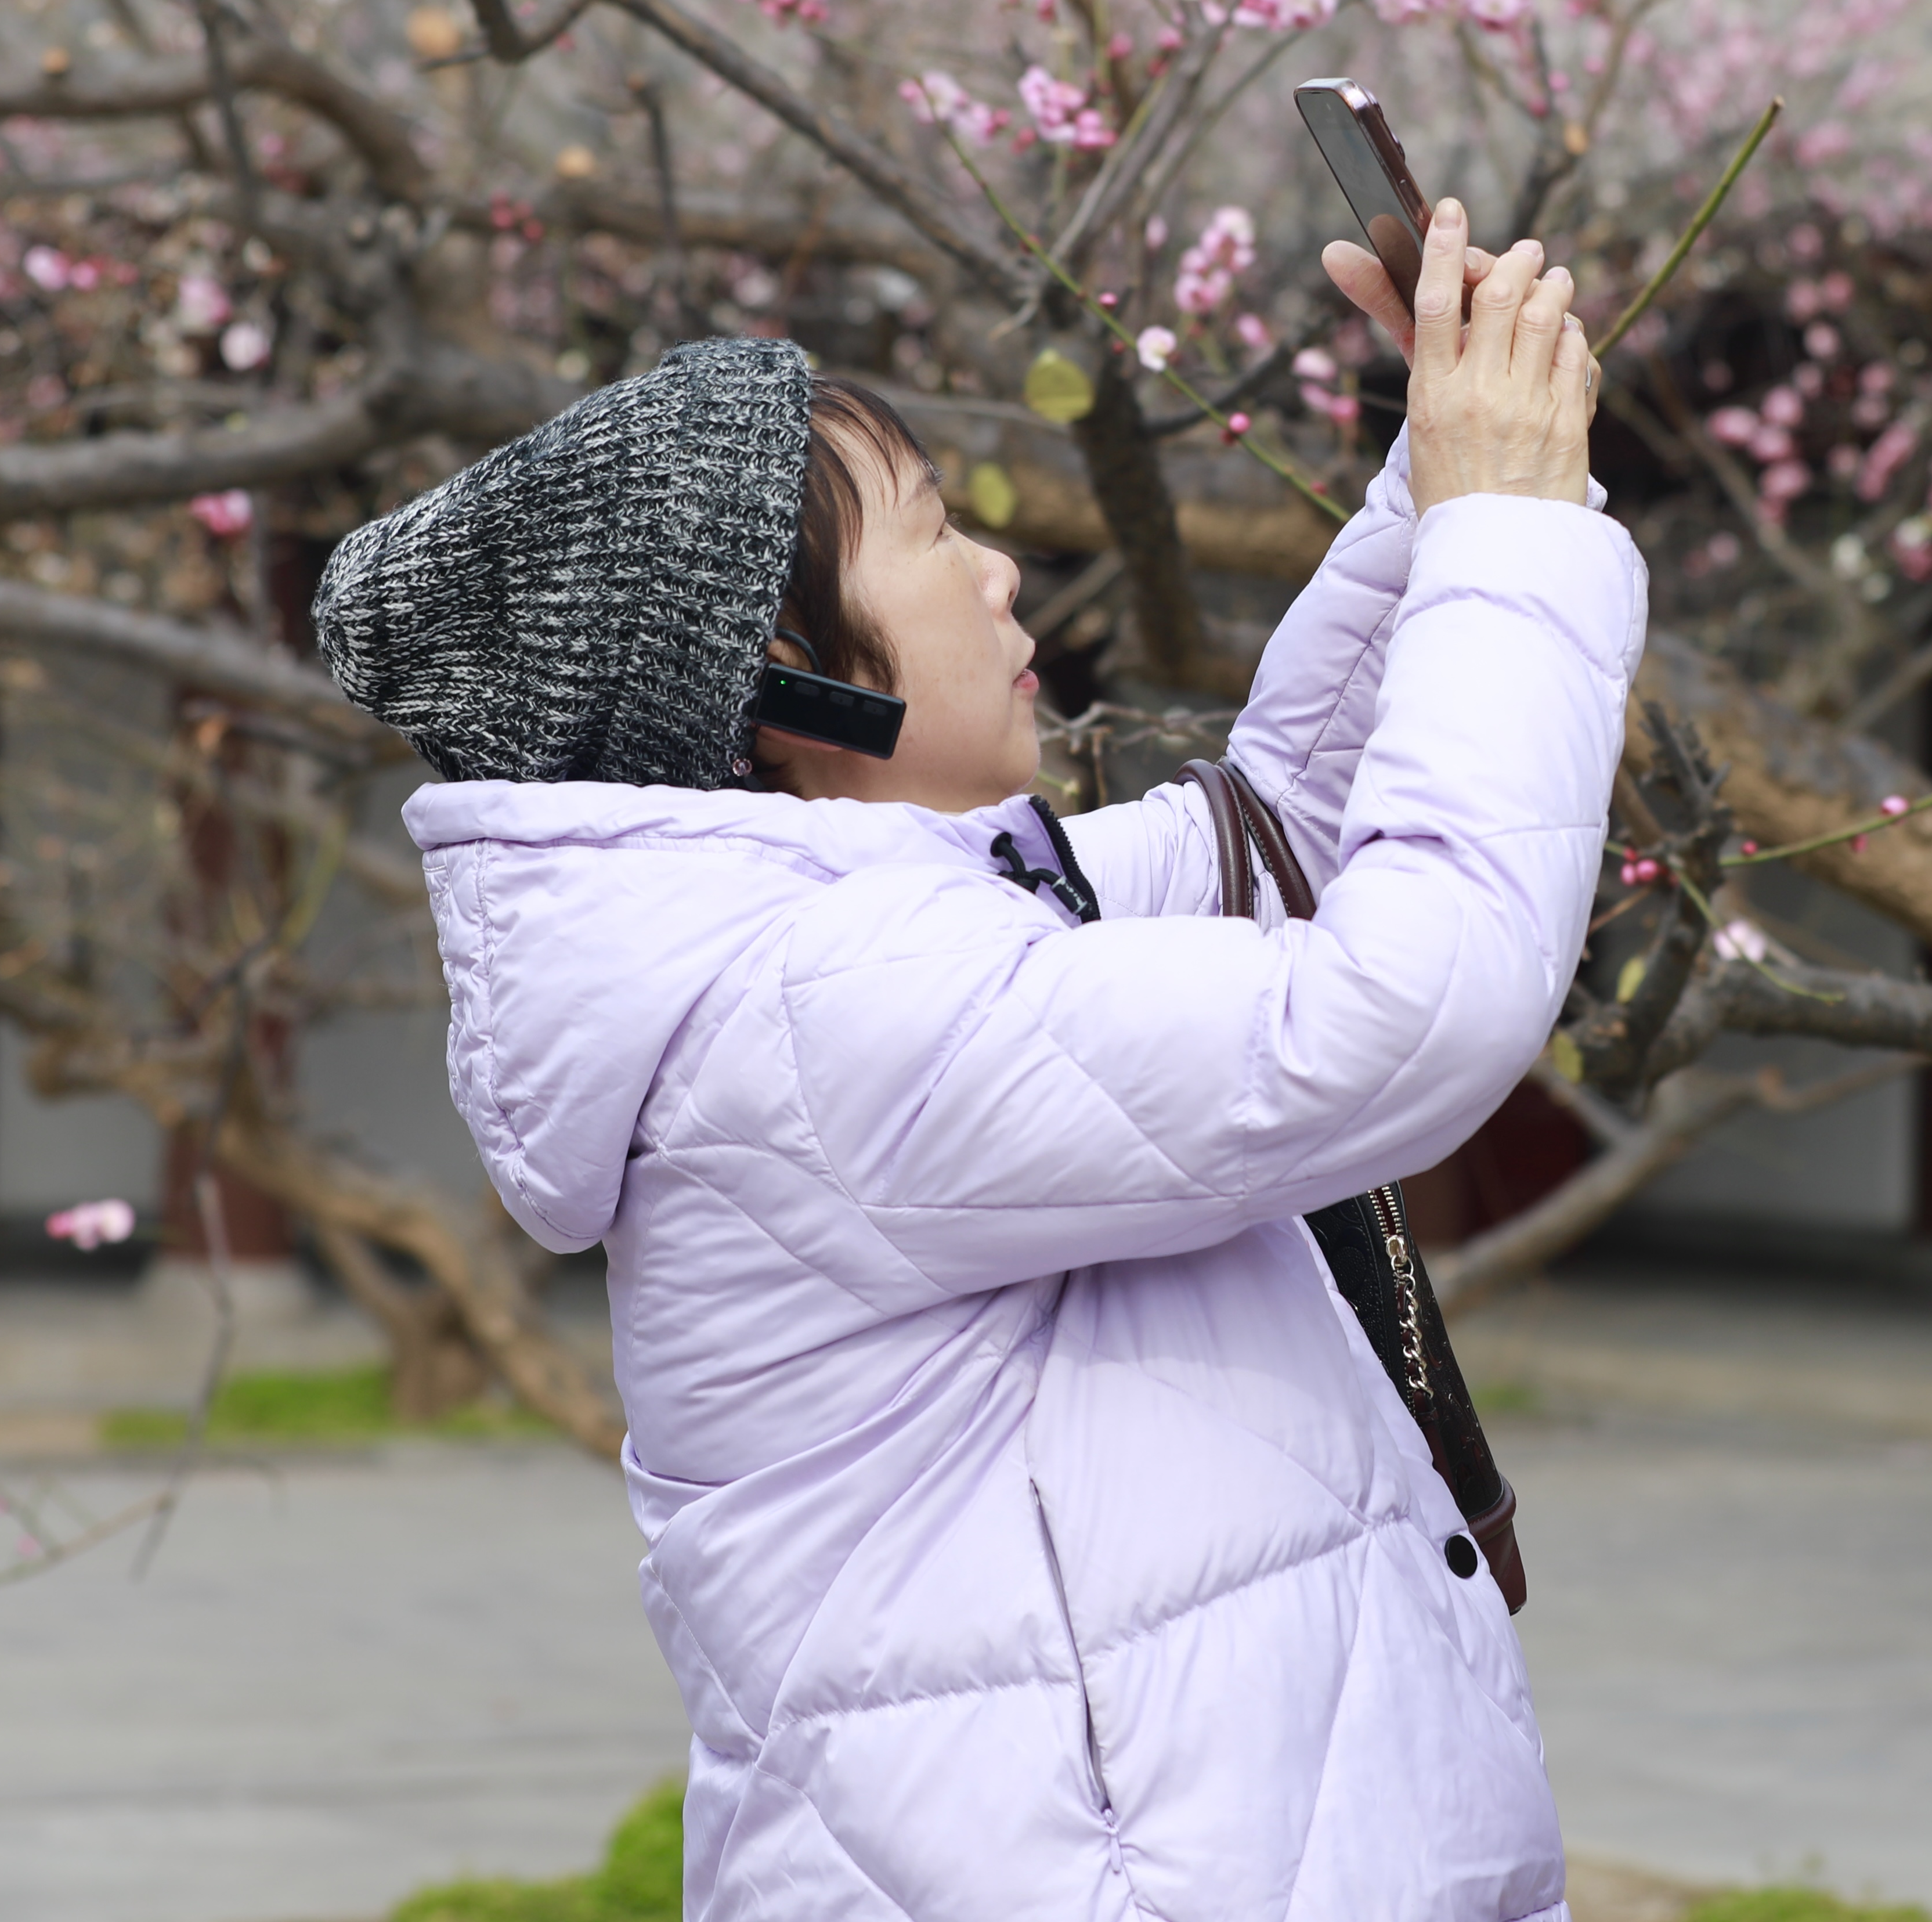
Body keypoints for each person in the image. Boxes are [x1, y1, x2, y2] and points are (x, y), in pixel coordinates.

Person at [310, 201, 1634, 1920]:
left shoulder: (909, 931)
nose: (995, 571)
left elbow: (1271, 837)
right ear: (787, 674)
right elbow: (1405, 1009)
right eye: (930, 534)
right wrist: (1507, 535)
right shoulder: (833, 1017)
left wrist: (1443, 475)